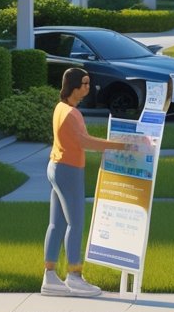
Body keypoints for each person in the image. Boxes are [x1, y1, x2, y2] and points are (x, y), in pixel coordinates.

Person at [42, 67, 135, 297]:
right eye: (84, 83)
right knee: (75, 223)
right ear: (73, 86)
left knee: (57, 224)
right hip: (69, 170)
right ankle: (74, 276)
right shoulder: (72, 114)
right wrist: (120, 145)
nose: (88, 87)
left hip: (55, 167)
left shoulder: (61, 108)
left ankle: (50, 276)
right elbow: (85, 141)